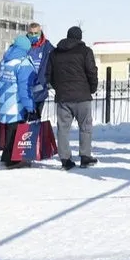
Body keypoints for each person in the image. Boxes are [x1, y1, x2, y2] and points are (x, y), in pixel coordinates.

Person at [46, 26, 99, 171]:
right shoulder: (86, 51)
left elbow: (49, 75)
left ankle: (65, 159)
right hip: (82, 96)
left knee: (63, 128)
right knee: (85, 127)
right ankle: (85, 157)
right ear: (80, 37)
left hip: (63, 97)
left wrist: (59, 88)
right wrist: (92, 88)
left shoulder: (55, 52)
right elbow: (92, 72)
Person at [0, 35, 37, 169]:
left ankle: (6, 156)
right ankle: (13, 160)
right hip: (15, 103)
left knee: (9, 129)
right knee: (15, 131)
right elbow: (25, 88)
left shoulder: (5, 60)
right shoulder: (22, 63)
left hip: (3, 101)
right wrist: (30, 107)